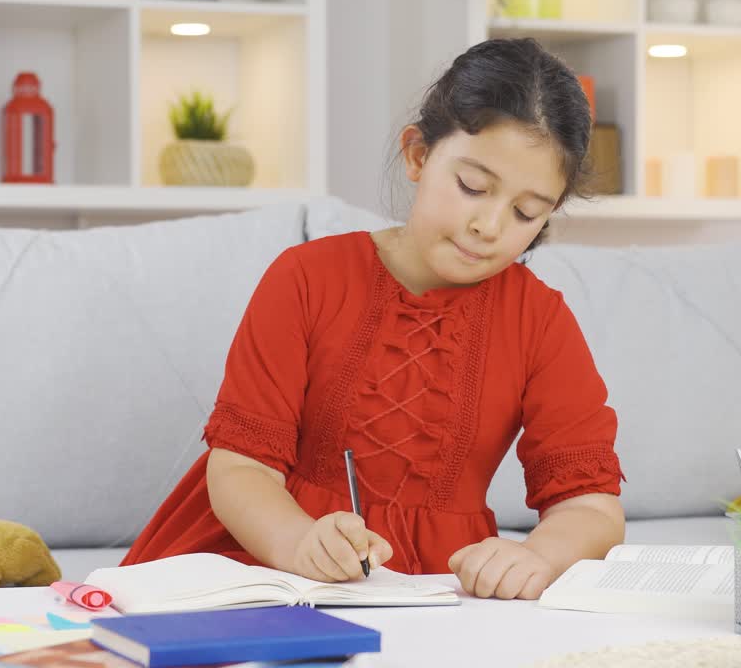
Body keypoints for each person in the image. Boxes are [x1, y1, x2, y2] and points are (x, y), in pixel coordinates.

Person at [121, 38, 625, 601]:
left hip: (435, 594)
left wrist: (537, 556)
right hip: (259, 564)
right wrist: (298, 542)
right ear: (418, 155)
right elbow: (241, 470)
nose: (489, 226)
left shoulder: (540, 320)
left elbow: (592, 507)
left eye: (526, 212)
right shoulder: (306, 278)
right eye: (472, 187)